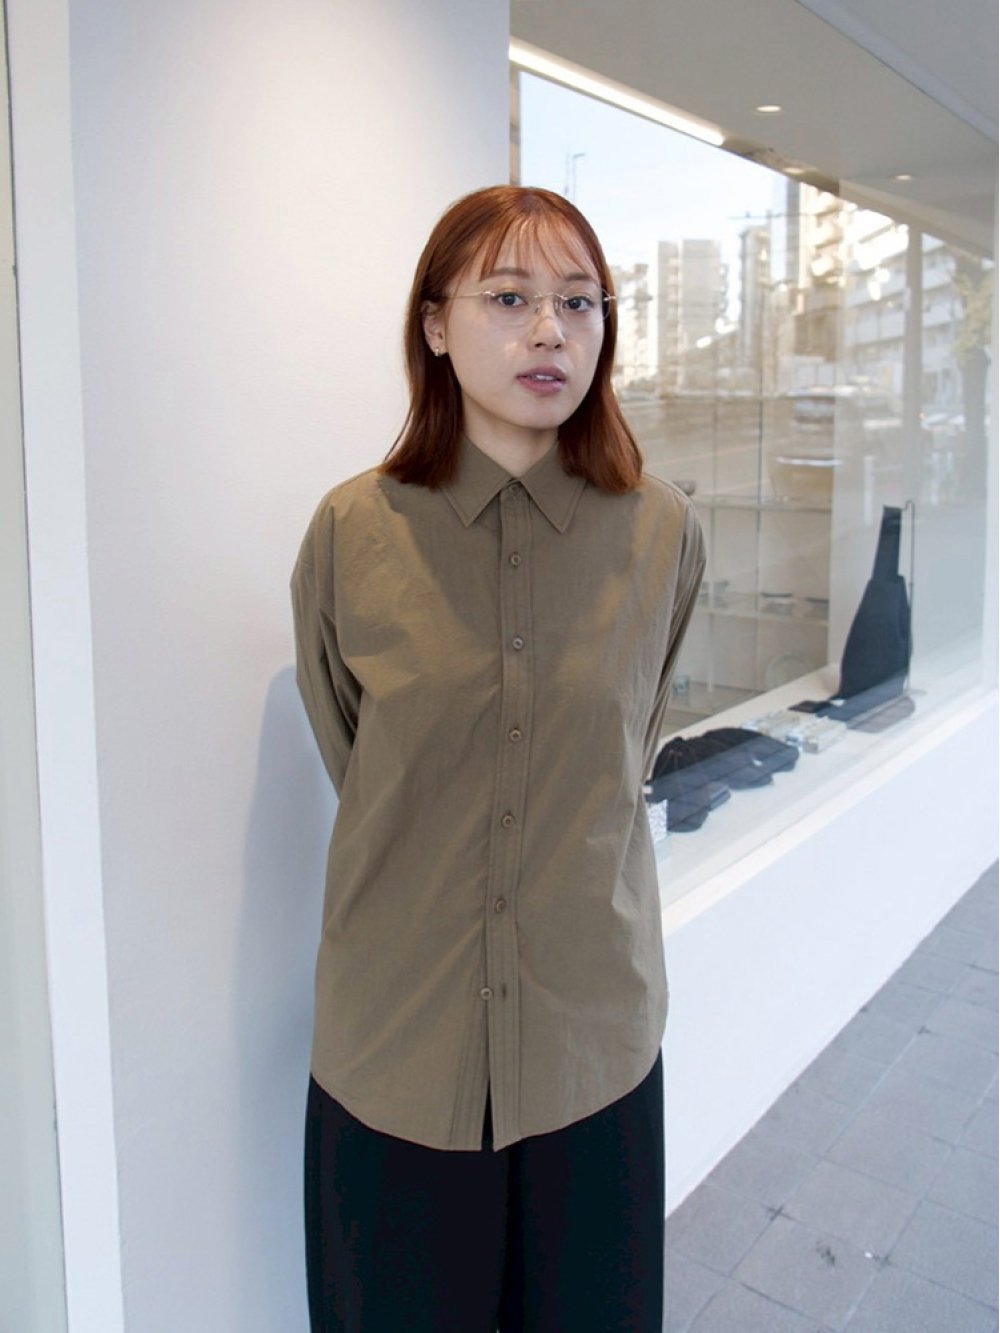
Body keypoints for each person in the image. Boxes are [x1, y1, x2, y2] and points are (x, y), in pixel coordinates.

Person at [291, 184, 706, 1332]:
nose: (550, 331)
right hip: (397, 1050)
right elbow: (357, 754)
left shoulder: (662, 530)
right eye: (510, 298)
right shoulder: (352, 532)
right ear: (434, 324)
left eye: (580, 302)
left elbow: (630, 742)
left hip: (590, 1047)